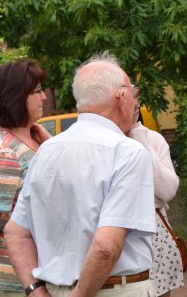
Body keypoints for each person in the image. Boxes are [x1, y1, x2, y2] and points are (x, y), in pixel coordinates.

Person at [4, 53, 157, 297]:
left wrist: (36, 291)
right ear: (122, 97)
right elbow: (106, 246)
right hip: (116, 289)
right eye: (132, 91)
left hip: (54, 291)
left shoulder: (45, 151)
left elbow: (15, 232)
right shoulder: (128, 152)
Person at [0, 59, 50, 296]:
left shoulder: (37, 139)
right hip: (16, 281)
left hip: (43, 272)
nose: (44, 98)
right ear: (16, 96)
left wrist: (50, 145)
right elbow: (5, 221)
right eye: (37, 92)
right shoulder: (5, 150)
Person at [128, 111, 183, 296]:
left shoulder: (154, 139)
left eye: (135, 98)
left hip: (156, 233)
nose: (133, 105)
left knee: (160, 292)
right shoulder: (105, 141)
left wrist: (140, 138)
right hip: (120, 237)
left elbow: (167, 191)